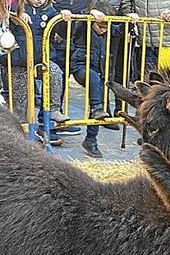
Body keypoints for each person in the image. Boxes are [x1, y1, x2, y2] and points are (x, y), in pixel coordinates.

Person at [69, 0, 120, 157]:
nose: (103, 30)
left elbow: (121, 30)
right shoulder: (84, 26)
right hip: (80, 67)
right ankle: (96, 108)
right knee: (95, 89)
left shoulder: (109, 31)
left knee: (98, 96)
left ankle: (91, 139)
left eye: (106, 27)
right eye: (100, 26)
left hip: (99, 72)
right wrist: (90, 15)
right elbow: (79, 22)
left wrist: (131, 20)